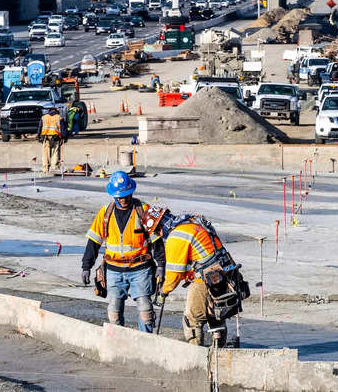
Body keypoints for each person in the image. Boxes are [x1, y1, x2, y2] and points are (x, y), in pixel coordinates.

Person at [81, 171, 164, 333]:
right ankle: (119, 343)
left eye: (126, 195)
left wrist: (161, 265)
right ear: (113, 195)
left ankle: (146, 341)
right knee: (114, 311)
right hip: (113, 270)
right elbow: (93, 242)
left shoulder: (144, 210)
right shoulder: (105, 213)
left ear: (131, 192)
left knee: (146, 310)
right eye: (119, 196)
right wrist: (86, 266)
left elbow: (157, 241)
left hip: (141, 269)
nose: (123, 199)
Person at [157, 212, 248, 347]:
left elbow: (174, 275)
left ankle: (196, 355)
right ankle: (220, 350)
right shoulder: (193, 223)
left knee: (192, 319)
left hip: (205, 278)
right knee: (216, 314)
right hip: (224, 274)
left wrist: (163, 291)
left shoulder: (177, 235)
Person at [37, 107, 63, 173]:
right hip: (56, 137)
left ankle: (45, 168)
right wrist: (64, 138)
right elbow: (63, 129)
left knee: (45, 153)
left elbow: (40, 127)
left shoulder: (44, 117)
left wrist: (38, 136)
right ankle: (54, 168)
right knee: (55, 152)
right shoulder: (59, 117)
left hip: (46, 138)